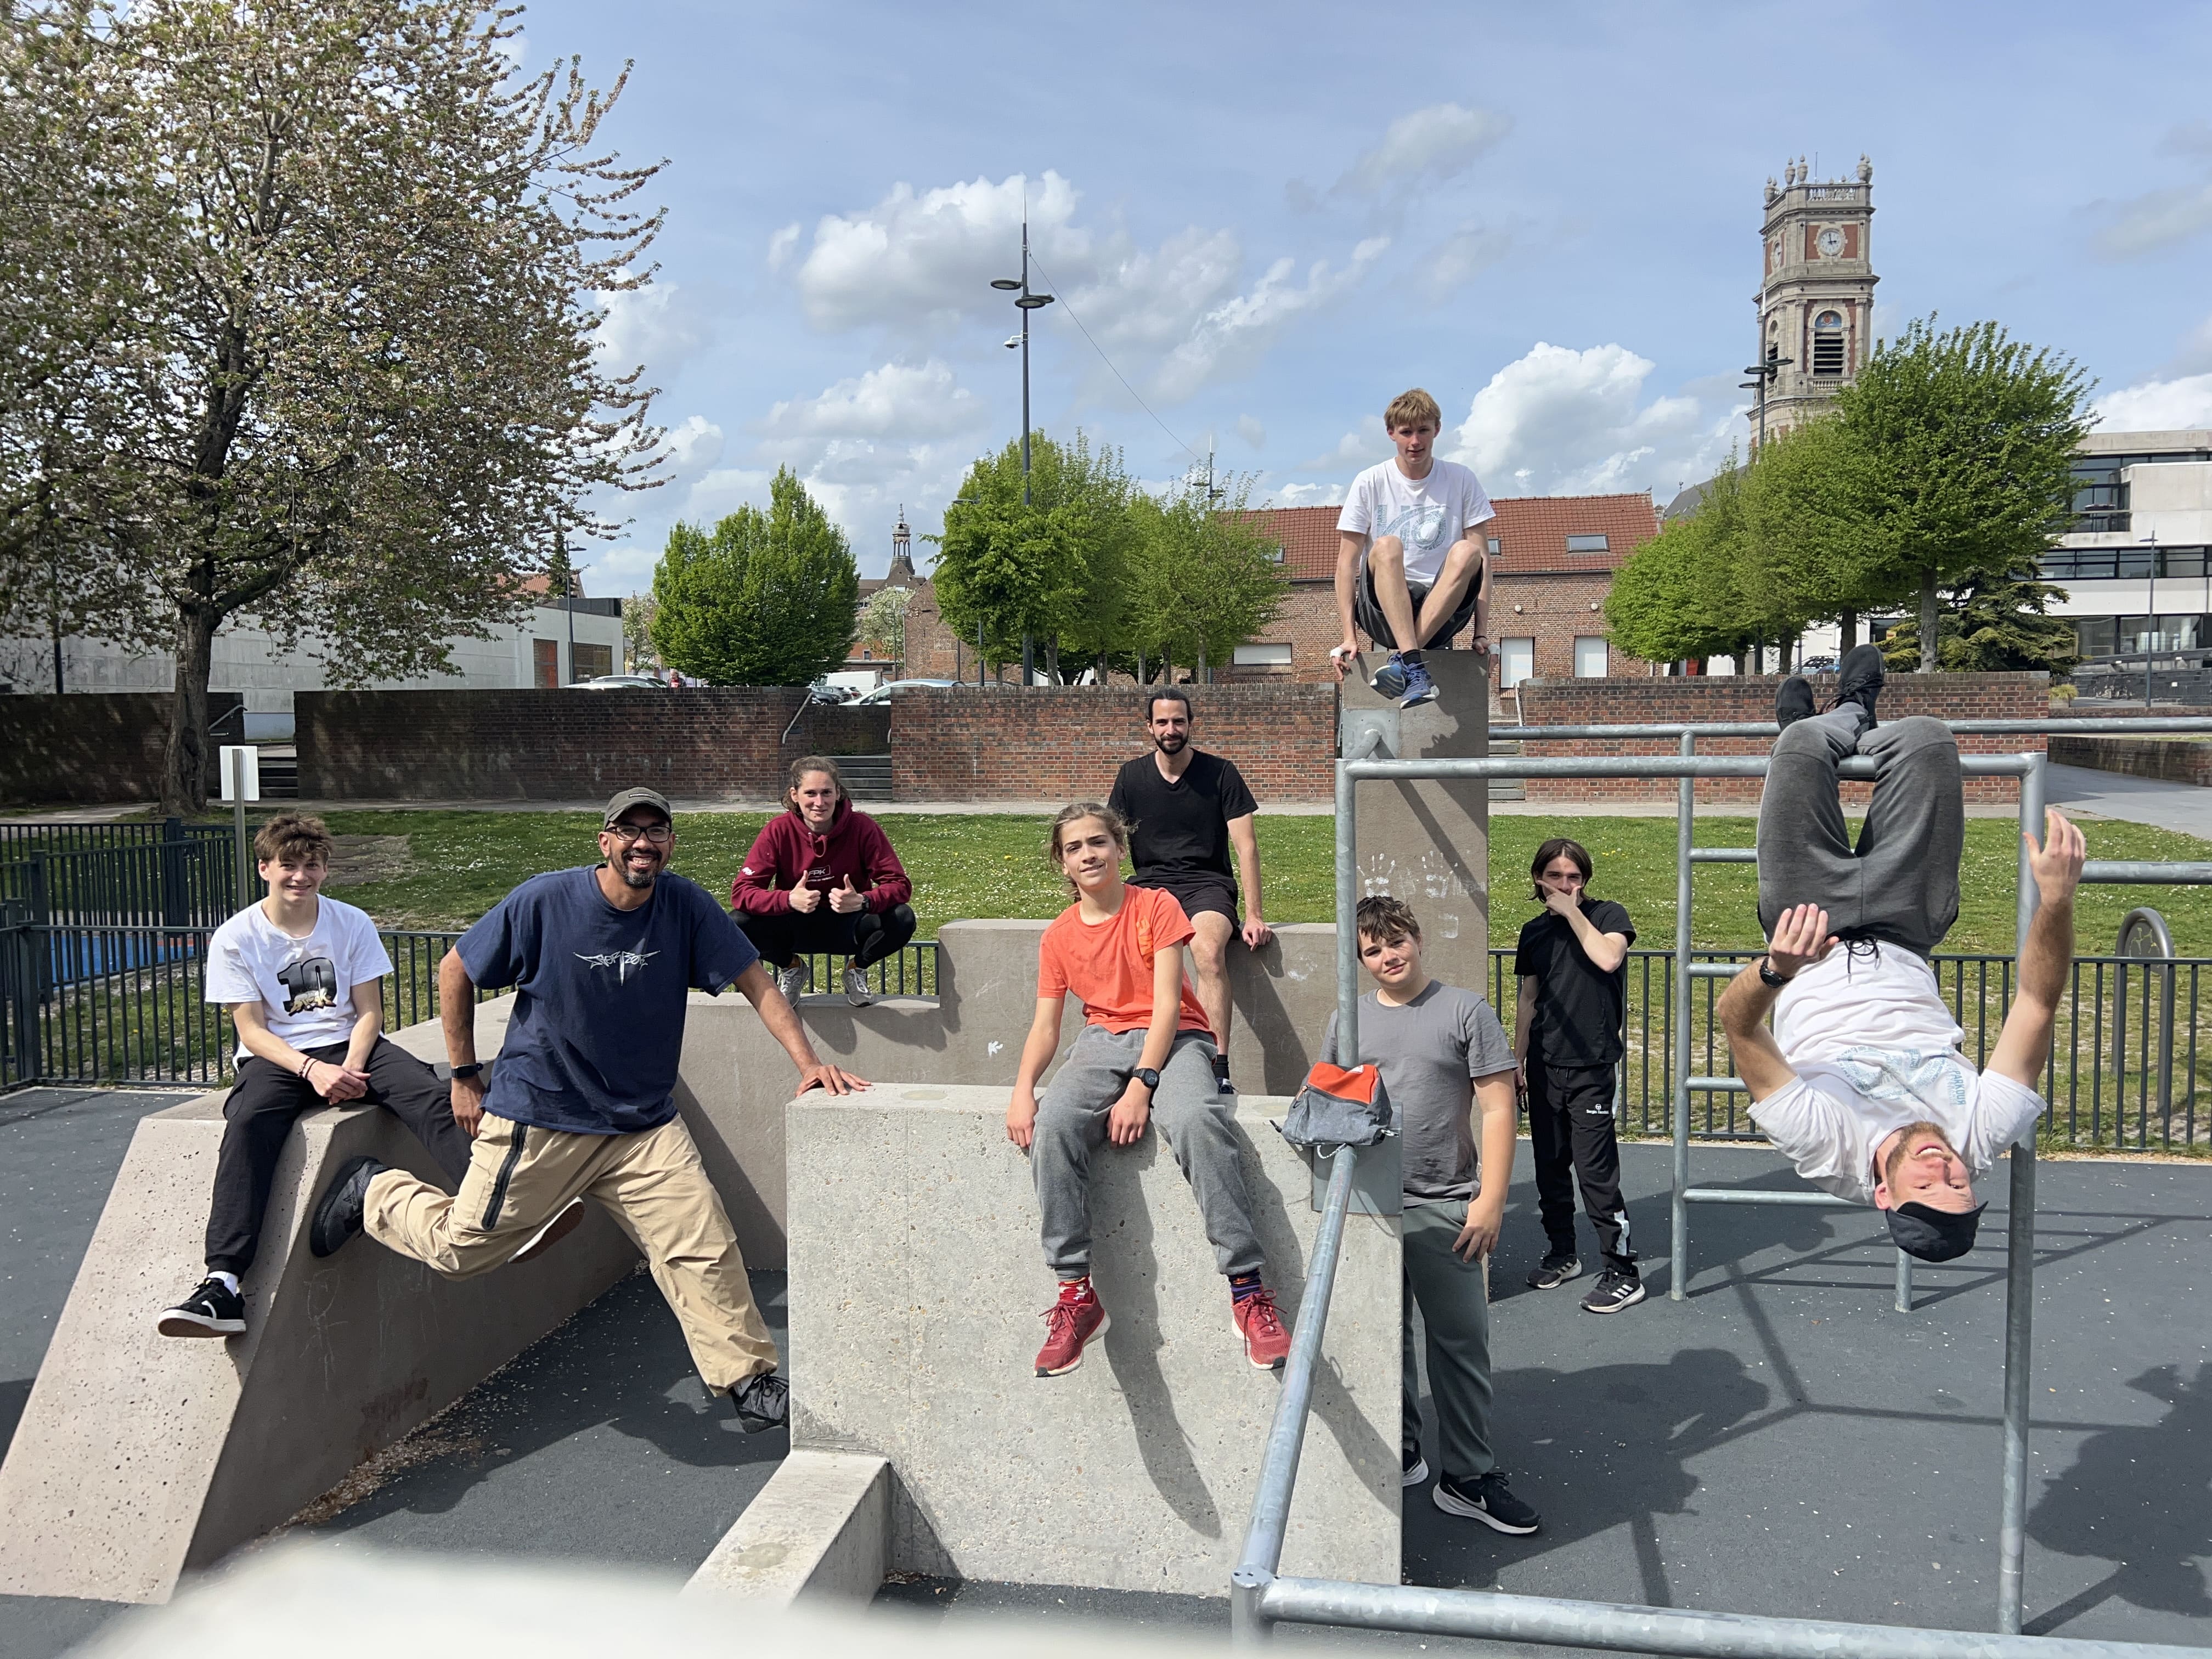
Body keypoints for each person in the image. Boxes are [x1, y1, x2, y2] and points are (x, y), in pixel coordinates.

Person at [307, 787, 868, 1434]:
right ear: (605, 842)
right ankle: (373, 1193)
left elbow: (757, 984)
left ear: (670, 846)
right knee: (465, 1250)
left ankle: (748, 1379)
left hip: (643, 1127)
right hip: (544, 1118)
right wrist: (462, 1074)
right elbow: (457, 967)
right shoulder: (546, 900)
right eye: (629, 831)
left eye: (657, 832)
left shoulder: (684, 905)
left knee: (702, 1244)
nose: (644, 843)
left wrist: (809, 1065)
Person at [1718, 645, 2085, 1262]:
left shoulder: (1823, 1147)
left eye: (1928, 1185)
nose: (1944, 1168)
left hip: (1810, 932)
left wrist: (1778, 967)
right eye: (1959, 1184)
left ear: (1884, 1194)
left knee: (1804, 750)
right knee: (1928, 739)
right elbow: (2037, 1004)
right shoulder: (1981, 1133)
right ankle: (1855, 710)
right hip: (1906, 925)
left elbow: (1737, 1023)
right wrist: (2056, 901)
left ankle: (1814, 733)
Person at [156, 813, 476, 1338]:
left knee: (429, 1096)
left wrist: (350, 1066)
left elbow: (369, 1011)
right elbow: (252, 1031)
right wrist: (312, 1071)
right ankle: (223, 1286)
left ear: (326, 870)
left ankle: (491, 1210)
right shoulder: (237, 937)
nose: (300, 876)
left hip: (353, 1046)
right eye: (288, 866)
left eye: (312, 865)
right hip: (279, 1057)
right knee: (248, 1125)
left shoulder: (351, 922)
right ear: (265, 868)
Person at [1006, 802, 1291, 1378]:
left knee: (1195, 1121)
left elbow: (1167, 1005)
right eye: (1074, 848)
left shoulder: (1156, 906)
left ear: (1118, 847)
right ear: (1062, 863)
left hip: (1176, 1037)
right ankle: (1076, 1294)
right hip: (1100, 1041)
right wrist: (1022, 1089)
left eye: (1098, 843)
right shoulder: (1059, 935)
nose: (1088, 854)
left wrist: (1142, 1086)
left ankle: (1247, 1291)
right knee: (1055, 1125)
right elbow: (1046, 1026)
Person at [1323, 896, 1542, 1535]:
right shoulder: (1351, 1017)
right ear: (1360, 960)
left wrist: (1492, 1199)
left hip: (1445, 1199)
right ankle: (1406, 1450)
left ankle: (1467, 1477)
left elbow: (1498, 1110)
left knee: (1461, 1342)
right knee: (1385, 1337)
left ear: (1417, 938)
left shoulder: (1464, 1010)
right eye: (1372, 949)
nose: (1388, 956)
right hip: (1372, 1204)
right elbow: (1333, 1105)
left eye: (1396, 941)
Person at [1107, 689, 1272, 1094]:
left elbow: (1246, 846)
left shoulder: (1220, 774)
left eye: (1178, 721)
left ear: (1190, 724)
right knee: (1136, 958)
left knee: (1209, 954)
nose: (1171, 729)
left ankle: (1218, 1068)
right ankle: (1140, 1059)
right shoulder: (1131, 776)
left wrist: (1253, 915)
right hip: (1149, 887)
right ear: (1149, 727)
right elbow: (1109, 839)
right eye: (1162, 722)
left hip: (1207, 884)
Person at [1513, 837, 1642, 1313]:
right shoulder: (1533, 932)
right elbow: (1530, 998)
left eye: (1574, 877)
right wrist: (1518, 1060)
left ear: (1585, 880)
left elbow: (1609, 958)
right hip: (1545, 1064)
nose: (1565, 885)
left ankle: (1623, 1269)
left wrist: (1571, 912)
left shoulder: (1608, 916)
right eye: (1555, 877)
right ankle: (1562, 1252)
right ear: (1538, 879)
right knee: (1549, 1166)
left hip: (1591, 1065)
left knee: (1595, 1174)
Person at [1330, 386, 1497, 710]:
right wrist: (1349, 637)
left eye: (1423, 431)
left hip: (1444, 609)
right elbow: (1345, 566)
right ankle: (1415, 666)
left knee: (1468, 551)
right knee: (1388, 546)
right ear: (1391, 433)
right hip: (1382, 608)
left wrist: (1481, 633)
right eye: (1406, 433)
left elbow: (1484, 563)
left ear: (1438, 429)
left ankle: (1406, 663)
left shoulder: (1462, 479)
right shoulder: (1370, 482)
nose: (1415, 442)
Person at [731, 755, 918, 1006]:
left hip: (849, 924)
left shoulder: (862, 827)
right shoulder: (778, 830)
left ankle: (857, 969)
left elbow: (900, 885)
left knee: (902, 917)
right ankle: (791, 967)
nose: (819, 803)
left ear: (838, 793)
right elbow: (742, 893)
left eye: (827, 793)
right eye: (811, 793)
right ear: (795, 795)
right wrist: (787, 899)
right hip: (794, 924)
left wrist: (863, 901)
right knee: (736, 922)